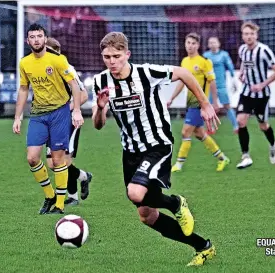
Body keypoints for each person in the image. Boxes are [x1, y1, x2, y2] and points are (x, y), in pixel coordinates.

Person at [92, 32, 217, 266]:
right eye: (107, 56)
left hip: (157, 144)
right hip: (130, 152)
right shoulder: (100, 82)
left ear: (127, 55)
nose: (112, 61)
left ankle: (176, 203)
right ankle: (202, 246)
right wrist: (100, 108)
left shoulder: (145, 73)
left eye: (117, 56)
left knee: (135, 193)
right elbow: (98, 125)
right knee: (146, 215)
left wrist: (205, 103)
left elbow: (184, 73)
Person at [12, 23, 84, 214]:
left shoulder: (58, 60)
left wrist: (76, 111)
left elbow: (75, 86)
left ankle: (60, 204)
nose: (36, 40)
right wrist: (17, 117)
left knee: (58, 160)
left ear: (45, 39)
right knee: (32, 158)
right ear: (27, 41)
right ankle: (49, 195)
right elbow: (24, 89)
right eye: (32, 37)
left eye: (39, 36)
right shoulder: (24, 63)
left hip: (59, 113)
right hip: (38, 114)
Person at [168, 33, 230, 173]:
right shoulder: (184, 62)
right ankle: (222, 158)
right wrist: (172, 98)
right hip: (190, 102)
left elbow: (212, 82)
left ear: (198, 45)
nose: (190, 46)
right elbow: (181, 82)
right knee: (199, 133)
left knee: (185, 132)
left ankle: (178, 164)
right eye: (188, 42)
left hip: (199, 103)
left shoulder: (204, 62)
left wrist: (214, 102)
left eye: (193, 43)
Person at [45, 37, 93, 206]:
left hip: (69, 121)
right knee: (52, 163)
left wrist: (71, 108)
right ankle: (84, 176)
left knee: (64, 161)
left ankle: (73, 197)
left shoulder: (66, 68)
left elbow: (84, 94)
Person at [236, 22, 275, 169]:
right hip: (247, 92)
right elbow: (244, 62)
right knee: (241, 121)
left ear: (256, 35)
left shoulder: (263, 50)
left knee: (263, 125)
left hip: (262, 95)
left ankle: (273, 144)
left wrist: (262, 84)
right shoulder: (242, 49)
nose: (249, 36)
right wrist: (242, 73)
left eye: (252, 34)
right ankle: (245, 156)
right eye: (246, 34)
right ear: (243, 36)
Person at [203, 36, 239, 133]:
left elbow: (230, 67)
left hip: (221, 85)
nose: (212, 44)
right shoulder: (206, 55)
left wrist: (234, 81)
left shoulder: (224, 55)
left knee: (227, 106)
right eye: (210, 42)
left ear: (218, 43)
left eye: (214, 42)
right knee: (209, 107)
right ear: (208, 45)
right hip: (209, 86)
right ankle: (211, 128)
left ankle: (236, 126)